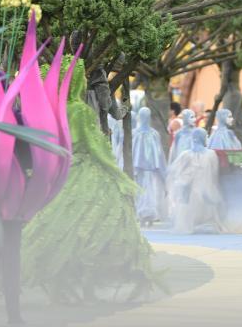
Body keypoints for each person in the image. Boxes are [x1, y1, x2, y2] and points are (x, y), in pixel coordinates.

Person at [22, 60, 155, 302]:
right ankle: (88, 286)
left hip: (61, 170)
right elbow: (94, 145)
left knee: (60, 229)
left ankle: (61, 286)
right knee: (95, 227)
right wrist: (114, 171)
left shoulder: (55, 109)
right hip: (86, 171)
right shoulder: (80, 111)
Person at [167, 128, 223, 234]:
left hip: (193, 189)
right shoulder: (210, 154)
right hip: (203, 189)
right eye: (206, 136)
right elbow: (215, 173)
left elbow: (175, 171)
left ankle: (192, 223)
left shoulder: (186, 154)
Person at [133, 107, 168, 226]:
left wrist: (161, 168)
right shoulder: (135, 133)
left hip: (151, 169)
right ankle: (142, 216)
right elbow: (133, 151)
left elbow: (159, 153)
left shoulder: (154, 134)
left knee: (150, 192)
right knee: (142, 192)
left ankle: (150, 216)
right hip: (140, 170)